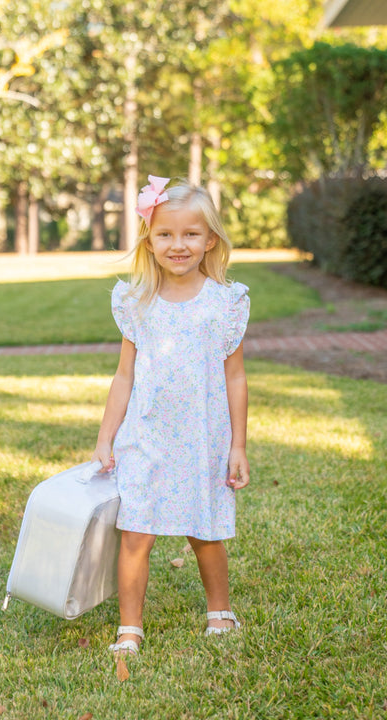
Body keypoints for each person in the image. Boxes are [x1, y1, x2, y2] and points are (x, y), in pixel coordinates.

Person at [92, 175, 251, 656]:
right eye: (165, 234)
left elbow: (236, 378)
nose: (178, 244)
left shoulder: (224, 303)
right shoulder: (135, 301)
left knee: (204, 533)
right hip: (146, 439)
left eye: (190, 234)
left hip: (203, 440)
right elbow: (124, 376)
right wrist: (106, 437)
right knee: (136, 532)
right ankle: (129, 626)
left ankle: (219, 610)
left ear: (210, 241)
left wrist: (238, 445)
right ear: (149, 239)